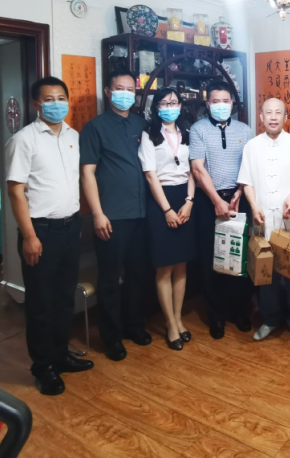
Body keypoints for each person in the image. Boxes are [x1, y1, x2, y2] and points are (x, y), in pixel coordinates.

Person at [5, 77, 93, 396]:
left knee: (64, 298)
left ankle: (60, 355)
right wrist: (29, 236)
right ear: (36, 104)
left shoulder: (73, 136)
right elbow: (16, 191)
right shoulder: (23, 140)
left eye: (61, 98)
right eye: (49, 99)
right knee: (41, 303)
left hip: (69, 228)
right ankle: (42, 368)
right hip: (40, 232)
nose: (57, 104)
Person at [80, 70, 151, 362]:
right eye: (119, 88)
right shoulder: (94, 127)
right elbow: (87, 173)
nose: (125, 93)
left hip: (143, 213)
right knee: (110, 278)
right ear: (108, 92)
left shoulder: (142, 124)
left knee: (138, 275)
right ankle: (111, 337)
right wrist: (97, 214)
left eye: (130, 89)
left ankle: (134, 325)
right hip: (112, 216)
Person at [237, 98, 290, 346]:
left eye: (279, 113)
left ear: (286, 117)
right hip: (262, 218)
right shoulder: (252, 146)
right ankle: (270, 319)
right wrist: (254, 205)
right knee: (265, 273)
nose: (274, 117)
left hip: (289, 219)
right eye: (269, 113)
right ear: (261, 117)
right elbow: (246, 182)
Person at [190, 81, 255, 340]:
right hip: (208, 202)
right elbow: (198, 168)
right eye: (215, 101)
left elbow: (249, 167)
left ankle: (239, 311)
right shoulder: (198, 129)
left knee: (239, 256)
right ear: (208, 104)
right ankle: (216, 316)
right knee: (211, 259)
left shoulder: (245, 130)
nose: (221, 105)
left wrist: (239, 192)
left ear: (232, 104)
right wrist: (216, 200)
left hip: (239, 199)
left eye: (225, 101)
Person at [139, 87, 196, 351]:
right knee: (164, 266)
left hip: (185, 198)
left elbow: (193, 171)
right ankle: (170, 323)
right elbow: (150, 175)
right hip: (161, 199)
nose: (169, 107)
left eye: (173, 102)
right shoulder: (149, 134)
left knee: (181, 264)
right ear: (156, 107)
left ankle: (179, 318)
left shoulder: (187, 133)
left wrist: (189, 201)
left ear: (181, 105)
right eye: (164, 103)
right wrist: (166, 210)